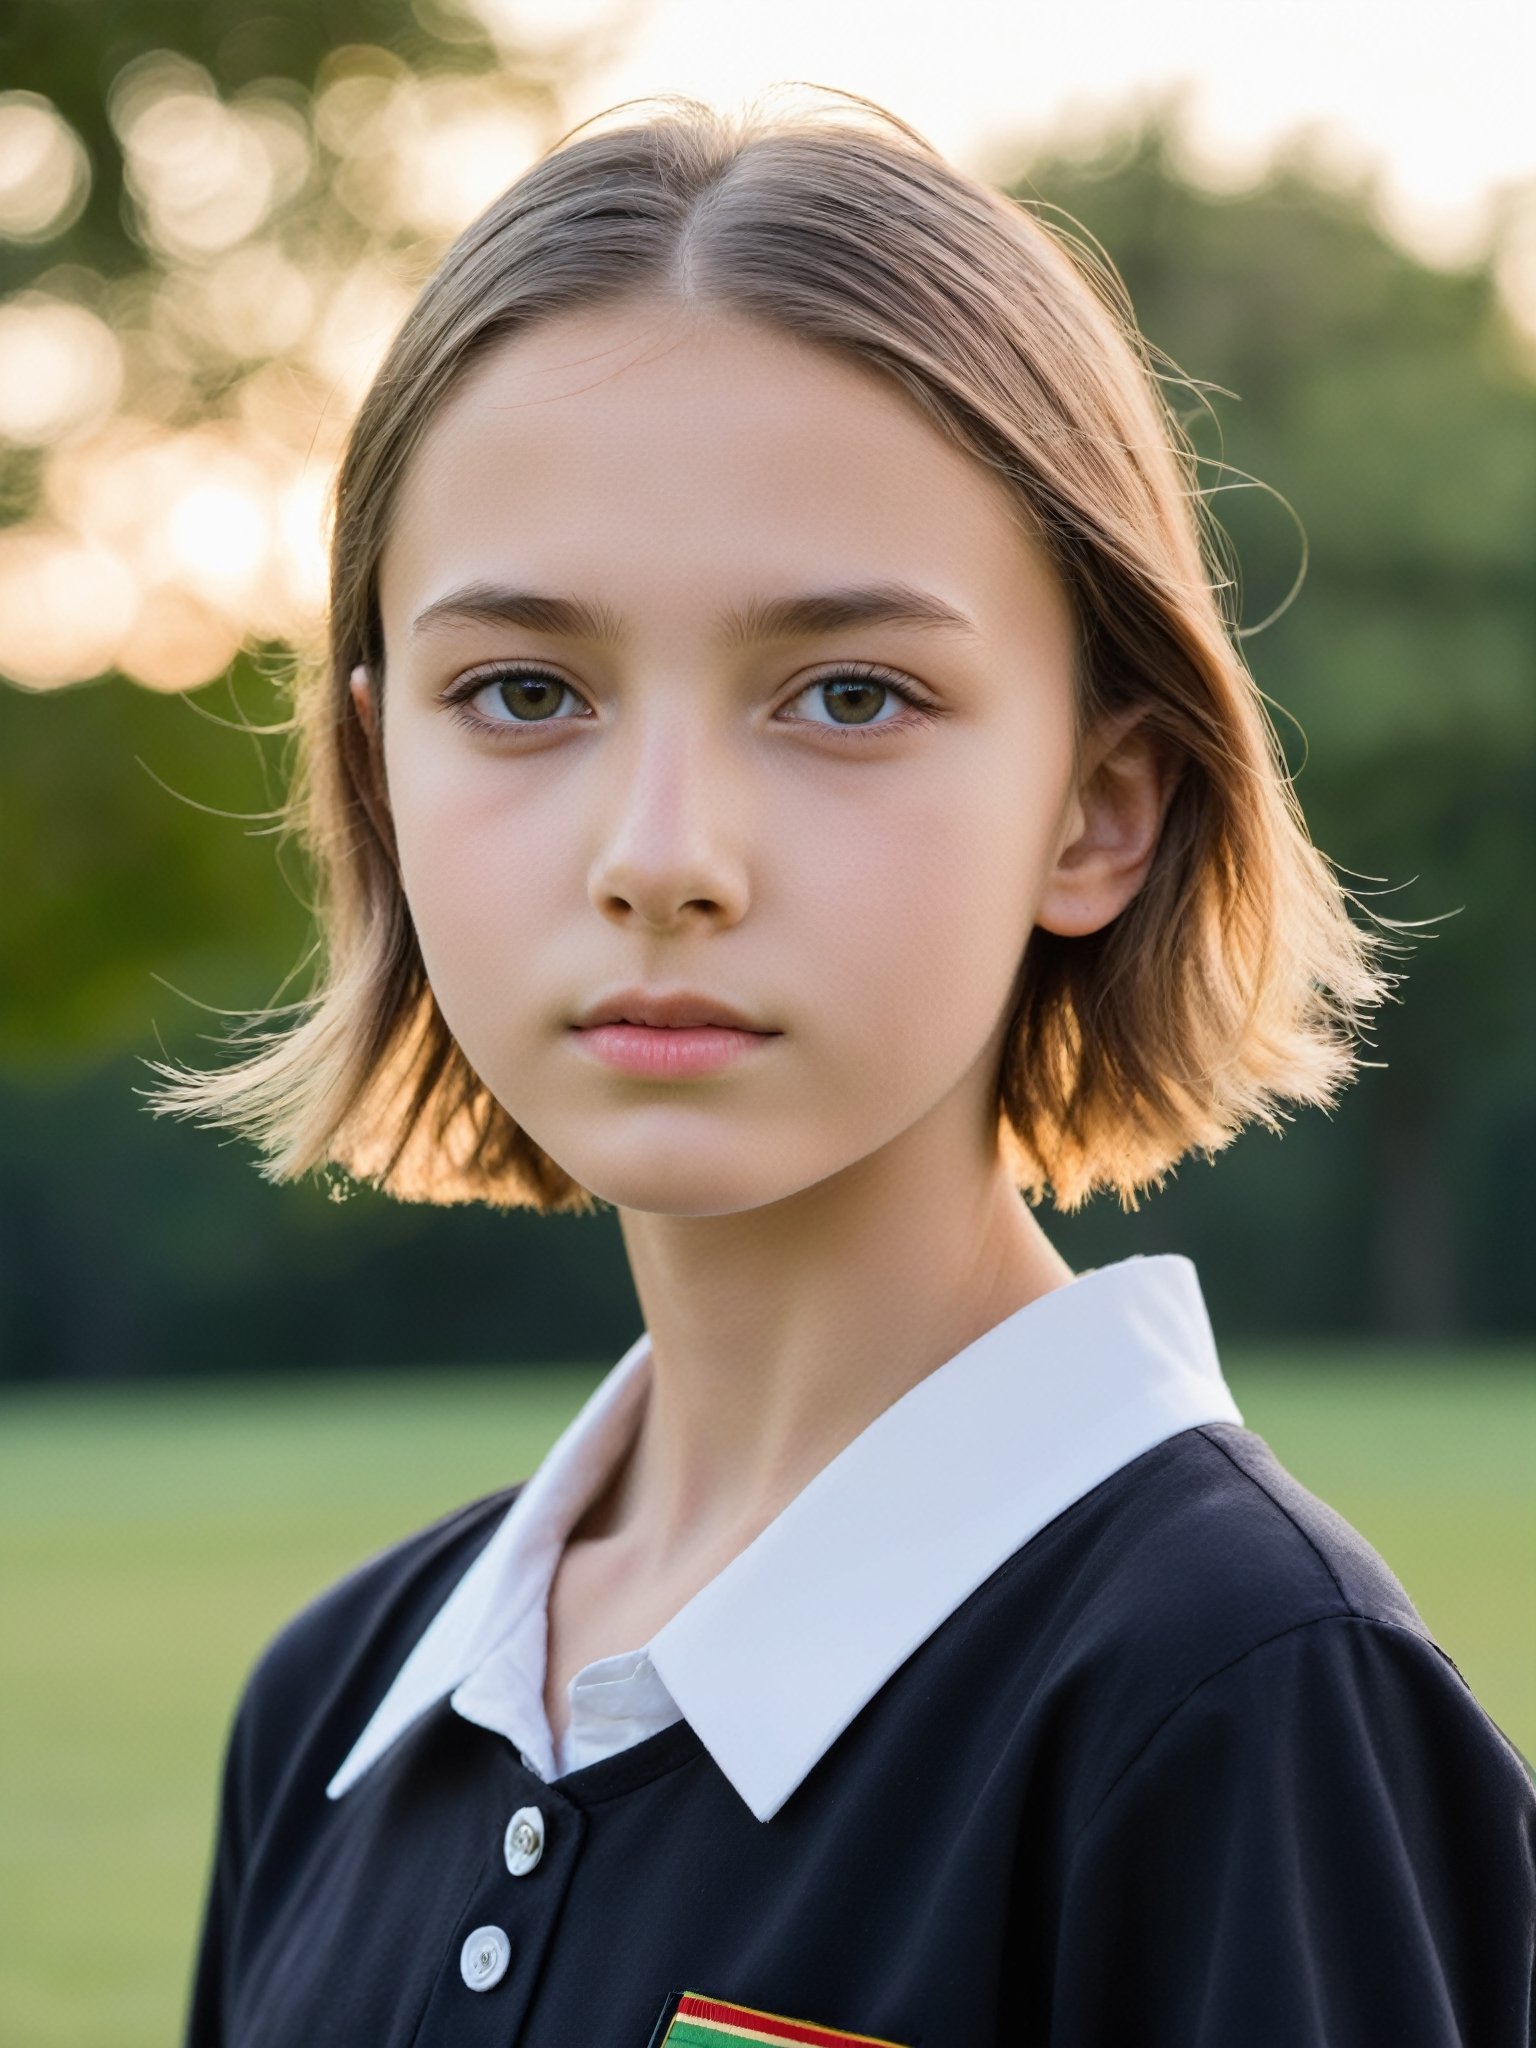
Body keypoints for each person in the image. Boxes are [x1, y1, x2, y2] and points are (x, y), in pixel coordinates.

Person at [153, 88, 1534, 2047]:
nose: (662, 854)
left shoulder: (1239, 1696)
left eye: (849, 694)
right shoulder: (333, 1711)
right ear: (380, 768)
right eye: (524, 691)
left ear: (1100, 808)